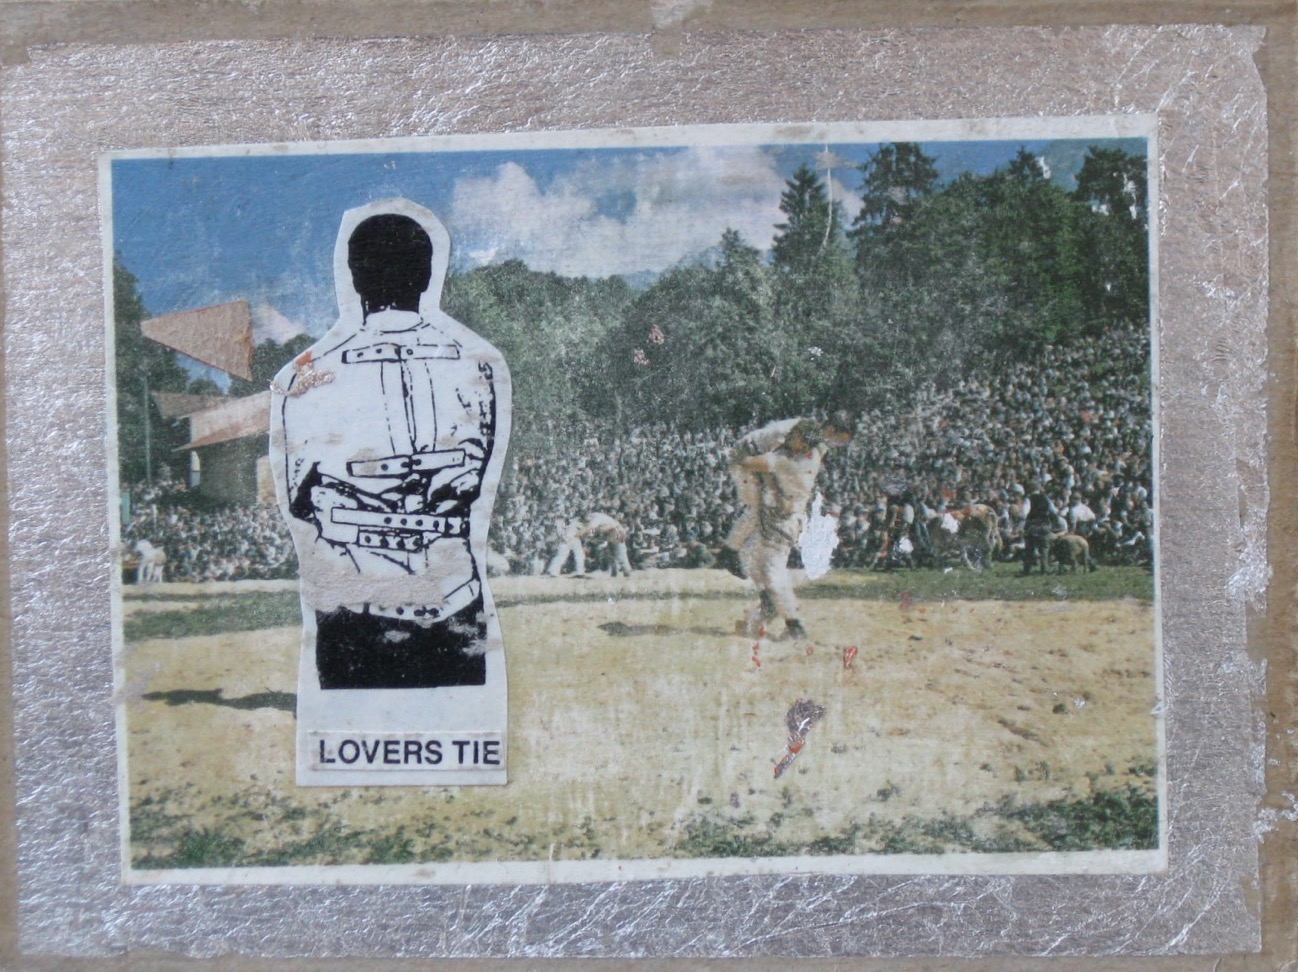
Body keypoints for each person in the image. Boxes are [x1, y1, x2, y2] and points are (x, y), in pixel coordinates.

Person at [272, 200, 511, 690]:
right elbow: (479, 475)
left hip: (356, 604)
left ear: (355, 278)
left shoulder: (308, 378)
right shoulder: (479, 366)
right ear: (426, 276)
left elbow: (299, 500)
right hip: (453, 598)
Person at [735, 419, 843, 641]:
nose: (789, 438)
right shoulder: (812, 455)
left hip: (782, 523)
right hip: (783, 518)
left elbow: (748, 463)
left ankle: (794, 625)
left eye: (794, 436)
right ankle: (769, 604)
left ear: (803, 444)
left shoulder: (787, 461)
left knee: (772, 573)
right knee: (750, 557)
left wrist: (748, 449)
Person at [716, 411, 853, 578]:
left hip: (760, 458)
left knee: (766, 513)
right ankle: (729, 551)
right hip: (746, 455)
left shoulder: (814, 437)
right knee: (758, 507)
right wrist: (775, 490)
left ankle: (737, 552)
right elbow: (769, 463)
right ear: (831, 430)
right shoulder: (797, 431)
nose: (838, 445)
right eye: (839, 440)